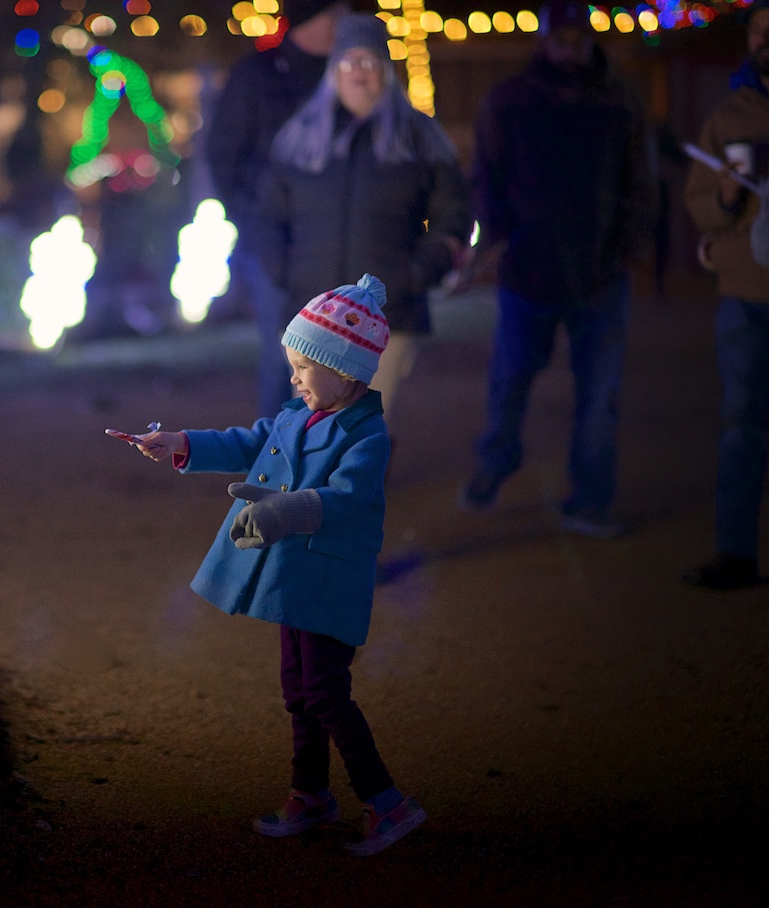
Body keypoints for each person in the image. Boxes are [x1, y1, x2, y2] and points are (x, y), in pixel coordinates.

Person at [121, 274, 426, 856]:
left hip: (328, 583)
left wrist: (284, 513)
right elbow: (248, 442)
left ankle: (388, 803)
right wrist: (181, 442)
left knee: (327, 693)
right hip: (295, 580)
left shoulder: (368, 438)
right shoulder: (298, 414)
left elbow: (344, 499)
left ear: (345, 371)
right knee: (300, 690)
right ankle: (310, 793)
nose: (293, 378)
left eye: (303, 368)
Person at [458, 0, 657, 538]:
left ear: (589, 41)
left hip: (600, 274)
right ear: (544, 40)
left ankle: (589, 501)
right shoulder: (511, 100)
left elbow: (640, 176)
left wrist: (627, 246)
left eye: (577, 38)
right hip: (528, 271)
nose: (568, 49)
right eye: (559, 39)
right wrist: (501, 236)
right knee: (511, 380)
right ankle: (497, 460)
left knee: (599, 397)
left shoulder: (619, 100)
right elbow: (486, 176)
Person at [257, 12, 471, 430]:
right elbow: (267, 216)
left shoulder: (419, 138)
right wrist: (281, 270)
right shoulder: (299, 137)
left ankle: (359, 492)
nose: (360, 72)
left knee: (359, 432)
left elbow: (454, 216)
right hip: (311, 316)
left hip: (384, 317)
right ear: (333, 69)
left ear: (387, 71)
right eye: (349, 61)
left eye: (371, 61)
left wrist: (415, 273)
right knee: (309, 434)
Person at [682, 0, 769, 591]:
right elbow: (699, 203)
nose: (766, 37)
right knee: (740, 425)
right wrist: (725, 198)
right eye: (757, 28)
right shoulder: (730, 114)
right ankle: (736, 552)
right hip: (747, 295)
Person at [206, 0, 351, 418]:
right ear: (311, 18)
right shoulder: (256, 76)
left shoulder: (347, 75)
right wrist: (252, 219)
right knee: (288, 356)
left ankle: (324, 459)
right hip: (274, 241)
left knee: (339, 358)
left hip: (335, 238)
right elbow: (223, 156)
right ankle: (276, 464)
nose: (343, 24)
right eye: (335, 15)